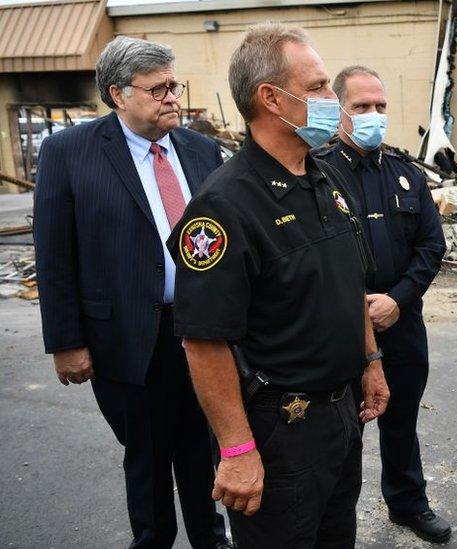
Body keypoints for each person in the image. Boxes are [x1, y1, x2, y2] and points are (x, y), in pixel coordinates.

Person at [166, 24, 389, 547]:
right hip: (279, 427)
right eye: (317, 89)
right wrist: (237, 450)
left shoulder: (323, 177)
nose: (333, 100)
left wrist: (371, 361)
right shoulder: (224, 206)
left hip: (341, 413)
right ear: (271, 98)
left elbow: (348, 284)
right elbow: (203, 340)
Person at [33, 37, 229, 549]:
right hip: (124, 335)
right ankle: (153, 538)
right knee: (145, 452)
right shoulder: (68, 152)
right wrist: (66, 343)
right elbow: (54, 256)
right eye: (159, 88)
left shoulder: (201, 150)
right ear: (118, 95)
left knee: (203, 442)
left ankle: (211, 536)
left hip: (202, 329)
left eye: (175, 85)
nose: (173, 98)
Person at [317, 65, 450, 543]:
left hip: (402, 324)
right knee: (340, 431)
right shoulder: (317, 173)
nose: (373, 116)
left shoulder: (407, 175)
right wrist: (358, 307)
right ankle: (335, 518)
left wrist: (397, 300)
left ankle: (407, 502)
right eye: (361, 107)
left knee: (401, 420)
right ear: (338, 111)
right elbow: (315, 256)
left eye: (380, 107)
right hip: (342, 331)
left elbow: (431, 247)